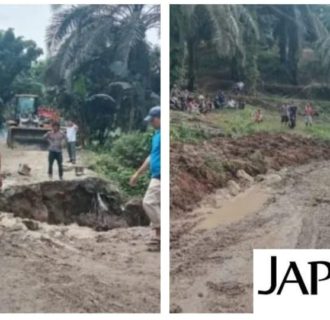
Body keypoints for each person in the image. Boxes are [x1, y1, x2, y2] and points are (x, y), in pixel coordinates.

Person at [130, 106, 160, 251]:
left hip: (161, 175)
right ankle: (158, 235)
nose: (151, 123)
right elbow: (151, 157)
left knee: (148, 202)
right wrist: (137, 173)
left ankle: (161, 234)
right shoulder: (156, 135)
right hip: (155, 175)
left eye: (153, 120)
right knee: (155, 205)